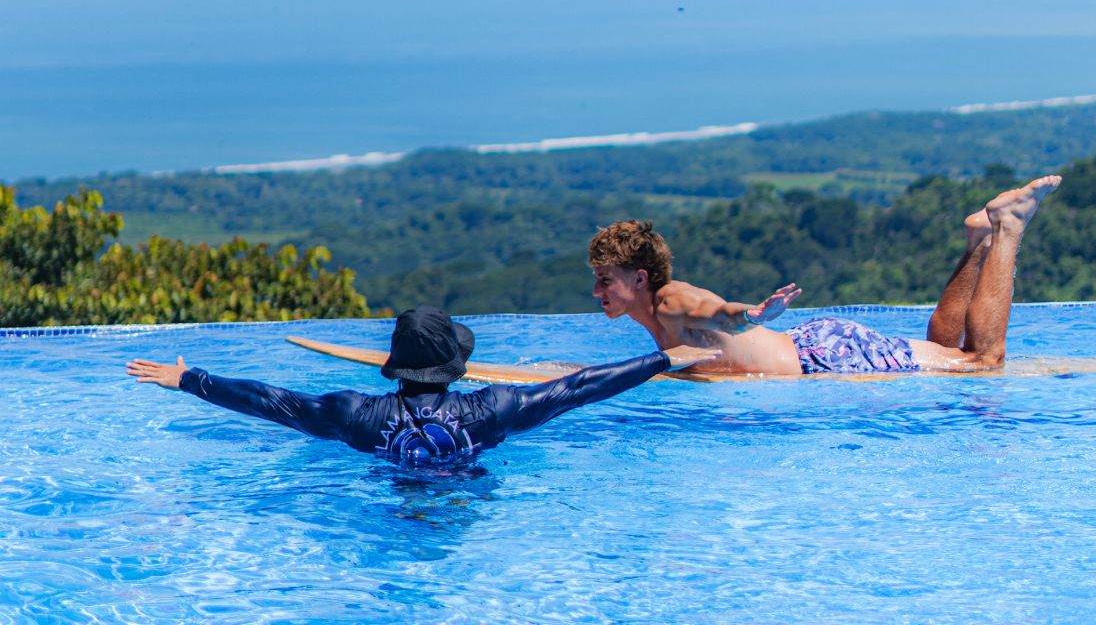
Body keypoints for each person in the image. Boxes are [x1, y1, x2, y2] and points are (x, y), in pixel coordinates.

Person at [588, 175, 1062, 375]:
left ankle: (1008, 226)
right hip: (818, 344)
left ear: (641, 278)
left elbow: (716, 313)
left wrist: (748, 314)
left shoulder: (671, 300)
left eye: (606, 279)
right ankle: (978, 242)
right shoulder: (654, 314)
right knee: (947, 354)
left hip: (824, 358)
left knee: (982, 363)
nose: (597, 290)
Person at [126, 305, 714, 464]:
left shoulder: (354, 414)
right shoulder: (494, 409)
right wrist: (663, 358)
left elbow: (271, 400)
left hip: (384, 508)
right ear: (455, 365)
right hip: (470, 504)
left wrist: (190, 379)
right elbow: (579, 387)